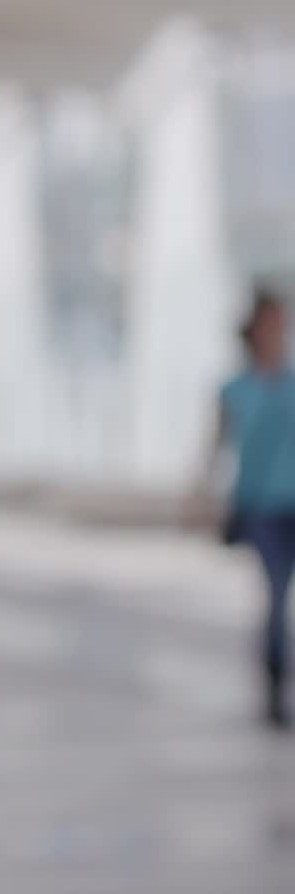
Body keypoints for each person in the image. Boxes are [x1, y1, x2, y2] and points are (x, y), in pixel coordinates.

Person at [209, 290, 295, 728]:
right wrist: (203, 496)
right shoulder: (233, 389)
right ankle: (275, 686)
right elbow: (216, 446)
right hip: (261, 505)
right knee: (277, 594)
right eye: (273, 321)